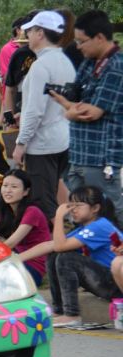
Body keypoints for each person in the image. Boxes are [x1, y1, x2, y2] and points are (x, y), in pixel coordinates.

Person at [50, 10, 123, 223]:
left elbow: (92, 112)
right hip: (79, 154)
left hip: (101, 157)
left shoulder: (116, 67)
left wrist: (67, 108)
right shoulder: (90, 62)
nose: (78, 47)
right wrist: (72, 107)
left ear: (100, 37)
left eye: (82, 41)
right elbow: (75, 94)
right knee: (81, 214)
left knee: (109, 210)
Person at [12, 10, 75, 222]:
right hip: (62, 139)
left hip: (42, 145)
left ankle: (52, 250)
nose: (27, 35)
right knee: (54, 193)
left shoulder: (40, 66)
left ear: (40, 33)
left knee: (43, 202)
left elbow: (35, 111)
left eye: (30, 31)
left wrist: (21, 144)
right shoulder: (65, 62)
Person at [48, 186, 123, 326]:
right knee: (54, 256)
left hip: (118, 285)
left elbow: (59, 246)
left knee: (66, 258)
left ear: (95, 208)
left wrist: (58, 216)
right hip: (109, 281)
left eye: (78, 205)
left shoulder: (99, 226)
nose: (72, 209)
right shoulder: (86, 227)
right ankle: (59, 311)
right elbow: (51, 245)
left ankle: (72, 315)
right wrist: (17, 259)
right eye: (71, 205)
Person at [0, 169, 52, 286]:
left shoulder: (32, 211)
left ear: (26, 191)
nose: (8, 190)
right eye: (5, 186)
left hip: (32, 266)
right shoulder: (5, 211)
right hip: (15, 258)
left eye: (14, 187)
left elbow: (10, 244)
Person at [2, 10, 40, 128]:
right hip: (22, 107)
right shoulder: (20, 54)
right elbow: (10, 88)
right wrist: (10, 117)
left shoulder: (58, 52)